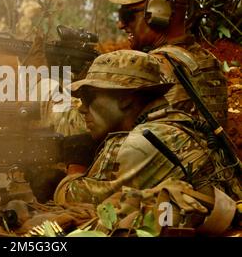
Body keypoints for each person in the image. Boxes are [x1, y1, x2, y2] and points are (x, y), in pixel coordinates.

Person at [52, 49, 240, 232]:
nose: (82, 109)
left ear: (126, 99)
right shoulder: (179, 123)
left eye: (89, 97)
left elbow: (74, 199)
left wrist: (74, 166)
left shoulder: (142, 141)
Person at [107, 0, 228, 127]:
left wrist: (63, 72)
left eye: (127, 15)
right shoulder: (210, 62)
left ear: (158, 12)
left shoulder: (152, 68)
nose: (121, 24)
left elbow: (103, 124)